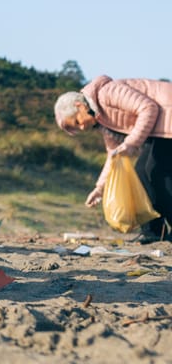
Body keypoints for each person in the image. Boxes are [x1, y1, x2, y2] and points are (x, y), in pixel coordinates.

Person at [54, 75, 172, 241]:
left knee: (153, 171)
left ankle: (154, 232)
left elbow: (148, 108)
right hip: (160, 128)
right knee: (143, 173)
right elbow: (113, 154)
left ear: (79, 105)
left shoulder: (107, 93)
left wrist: (131, 143)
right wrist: (99, 188)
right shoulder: (103, 120)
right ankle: (153, 233)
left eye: (77, 121)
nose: (82, 127)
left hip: (168, 119)